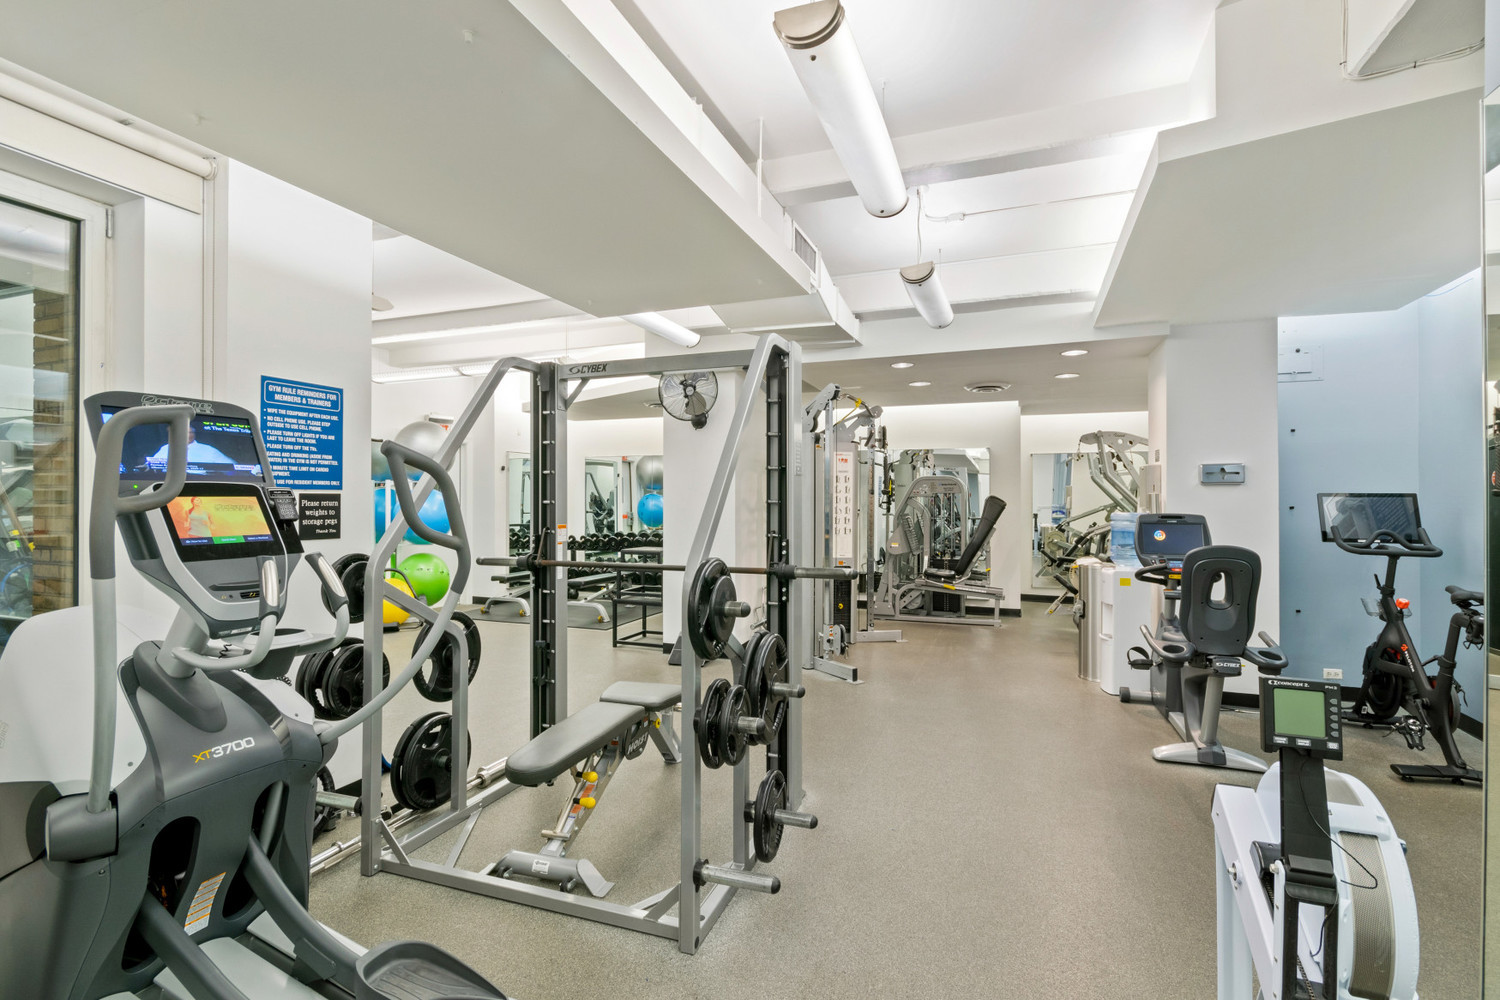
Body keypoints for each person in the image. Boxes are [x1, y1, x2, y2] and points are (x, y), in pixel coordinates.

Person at [147, 426, 233, 468]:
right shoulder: (166, 448)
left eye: (190, 432)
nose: (187, 435)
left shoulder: (208, 449)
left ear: (194, 434)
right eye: (184, 432)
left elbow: (232, 466)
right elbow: (151, 464)